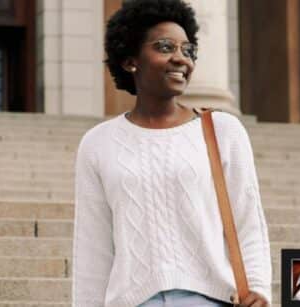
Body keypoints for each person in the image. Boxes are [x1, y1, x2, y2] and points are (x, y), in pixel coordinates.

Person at [71, 0, 271, 306]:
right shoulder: (98, 144)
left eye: (187, 50)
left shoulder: (223, 130)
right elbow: (92, 249)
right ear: (130, 60)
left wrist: (257, 288)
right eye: (165, 47)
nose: (181, 59)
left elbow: (248, 222)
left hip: (213, 299)